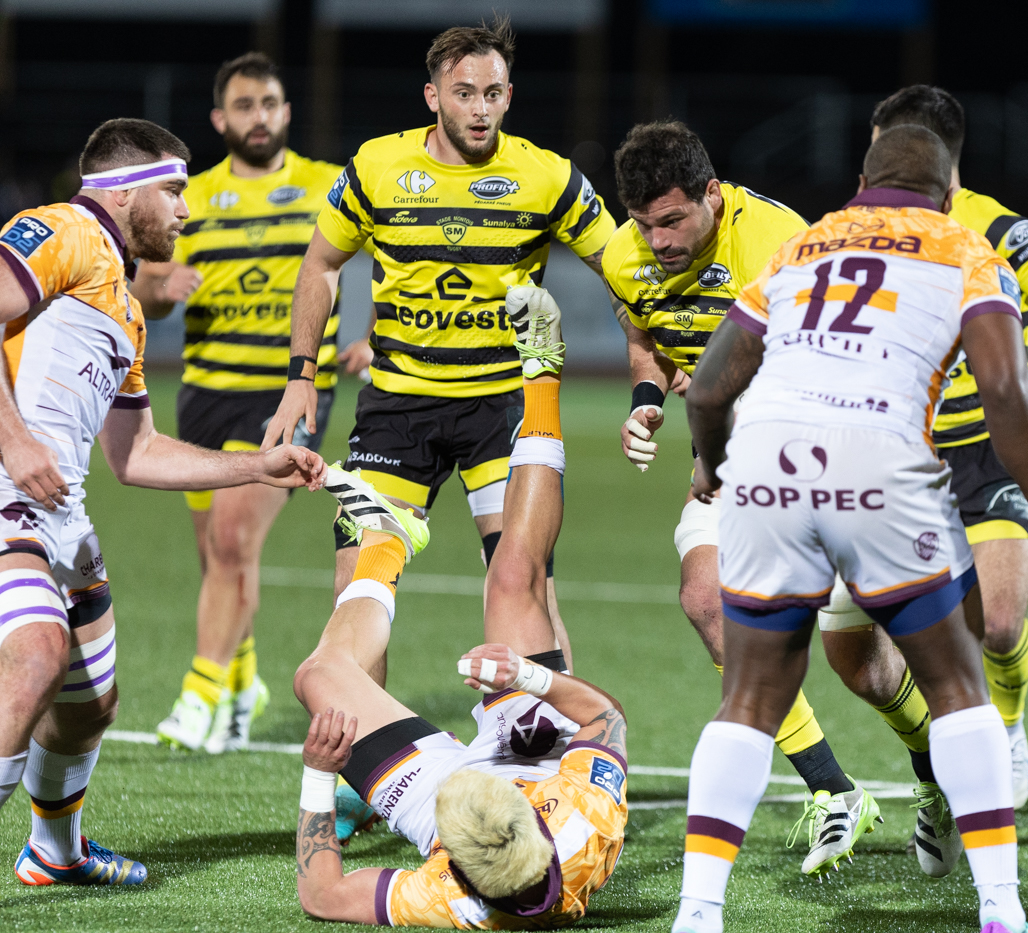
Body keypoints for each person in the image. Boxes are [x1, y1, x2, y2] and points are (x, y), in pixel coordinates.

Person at [671, 126, 1028, 933]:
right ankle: (1001, 907)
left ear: (863, 178)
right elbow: (1006, 388)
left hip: (769, 460)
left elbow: (709, 390)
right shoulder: (966, 249)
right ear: (945, 191)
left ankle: (697, 912)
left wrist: (717, 471)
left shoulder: (801, 245)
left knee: (749, 697)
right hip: (879, 462)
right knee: (960, 686)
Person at [0, 118, 327, 886]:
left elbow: (136, 453)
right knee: (37, 656)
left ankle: (56, 851)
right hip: (6, 489)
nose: (187, 209)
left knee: (90, 702)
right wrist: (12, 439)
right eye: (175, 192)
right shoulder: (62, 230)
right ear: (124, 192)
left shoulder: (127, 309)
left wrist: (258, 464)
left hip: (60, 512)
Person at [261, 19, 614, 679]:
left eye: (493, 93)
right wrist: (300, 375)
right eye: (464, 93)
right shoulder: (377, 166)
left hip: (502, 410)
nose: (479, 109)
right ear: (433, 97)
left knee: (526, 583)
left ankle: (563, 756)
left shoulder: (547, 177)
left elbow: (623, 268)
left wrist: (660, 363)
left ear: (510, 96)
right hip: (396, 409)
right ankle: (372, 762)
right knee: (357, 585)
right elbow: (320, 265)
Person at [290, 295, 626, 928]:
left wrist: (318, 774)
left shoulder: (447, 895)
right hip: (539, 770)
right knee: (512, 578)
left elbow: (322, 898)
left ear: (453, 859)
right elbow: (607, 717)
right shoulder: (582, 818)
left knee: (318, 678)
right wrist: (525, 677)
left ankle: (385, 544)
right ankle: (543, 370)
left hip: (460, 803)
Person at [813, 87, 1028, 832]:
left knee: (998, 625)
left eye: (886, 144)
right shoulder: (855, 226)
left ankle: (1005, 727)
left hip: (983, 455)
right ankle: (934, 766)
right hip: (892, 462)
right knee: (858, 655)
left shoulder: (994, 227)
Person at [603, 121, 882, 876]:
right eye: (642, 223)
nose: (656, 240)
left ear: (712, 196)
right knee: (704, 597)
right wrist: (647, 398)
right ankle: (834, 790)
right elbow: (648, 336)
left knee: (864, 665)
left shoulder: (778, 242)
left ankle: (933, 769)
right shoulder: (625, 256)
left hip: (819, 448)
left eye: (672, 220)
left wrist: (727, 391)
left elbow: (826, 359)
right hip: (724, 453)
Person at [128, 52, 344, 754]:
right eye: (245, 106)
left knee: (231, 539)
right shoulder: (194, 195)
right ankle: (244, 678)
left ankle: (198, 693)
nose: (260, 117)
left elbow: (391, 258)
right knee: (219, 555)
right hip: (205, 394)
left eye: (271, 103)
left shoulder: (324, 185)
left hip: (286, 394)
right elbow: (145, 285)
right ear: (221, 119)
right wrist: (164, 286)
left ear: (287, 112)